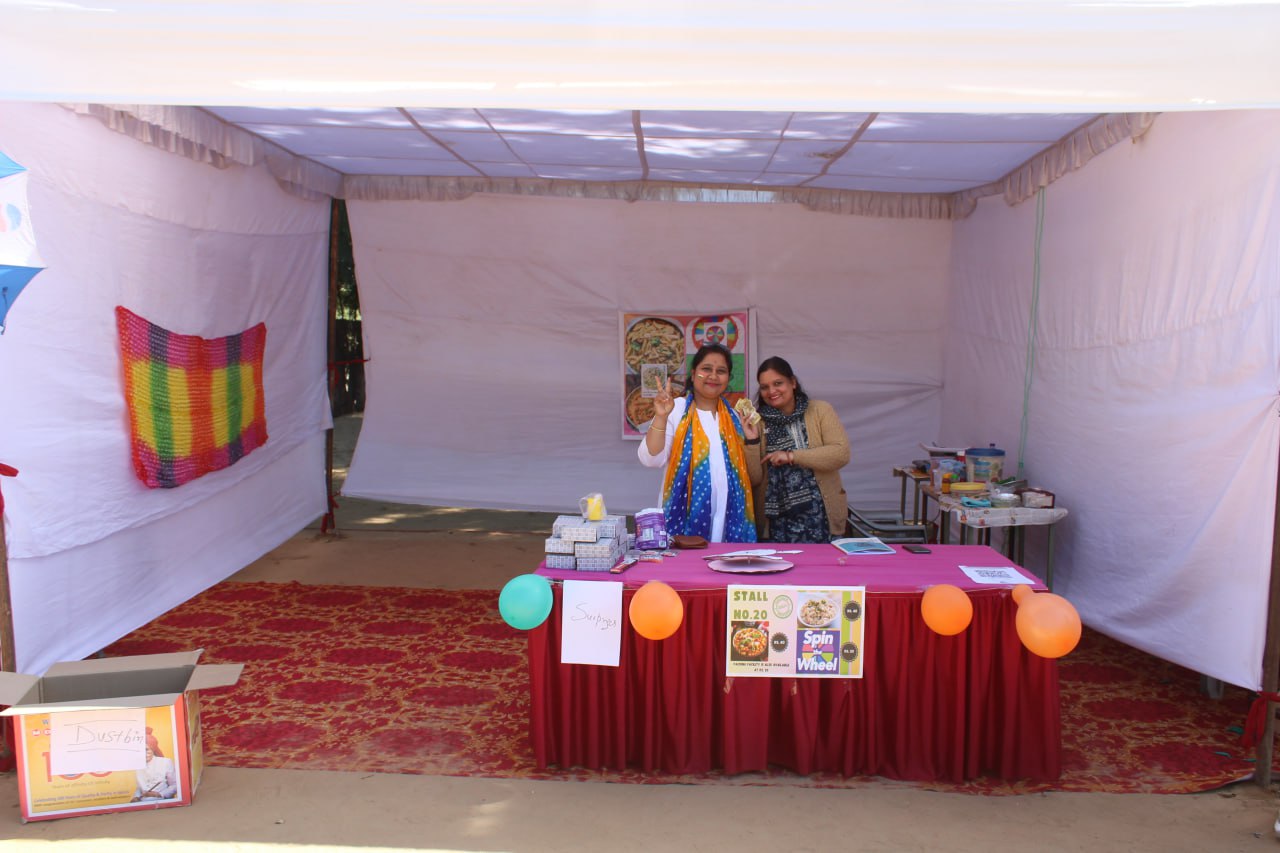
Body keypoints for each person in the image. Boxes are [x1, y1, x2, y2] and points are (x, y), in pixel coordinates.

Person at [637, 343, 758, 542]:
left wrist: (753, 439)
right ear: (693, 375)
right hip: (684, 526)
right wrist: (660, 417)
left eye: (721, 371)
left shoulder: (735, 418)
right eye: (706, 369)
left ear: (728, 378)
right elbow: (651, 459)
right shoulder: (676, 409)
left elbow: (750, 476)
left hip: (728, 526)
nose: (713, 376)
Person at [746, 356, 850, 542]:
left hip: (822, 518)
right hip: (775, 524)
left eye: (778, 383)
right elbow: (754, 479)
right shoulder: (757, 422)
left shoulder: (820, 410)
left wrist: (791, 456)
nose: (772, 391)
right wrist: (752, 441)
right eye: (764, 387)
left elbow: (840, 454)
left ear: (792, 382)